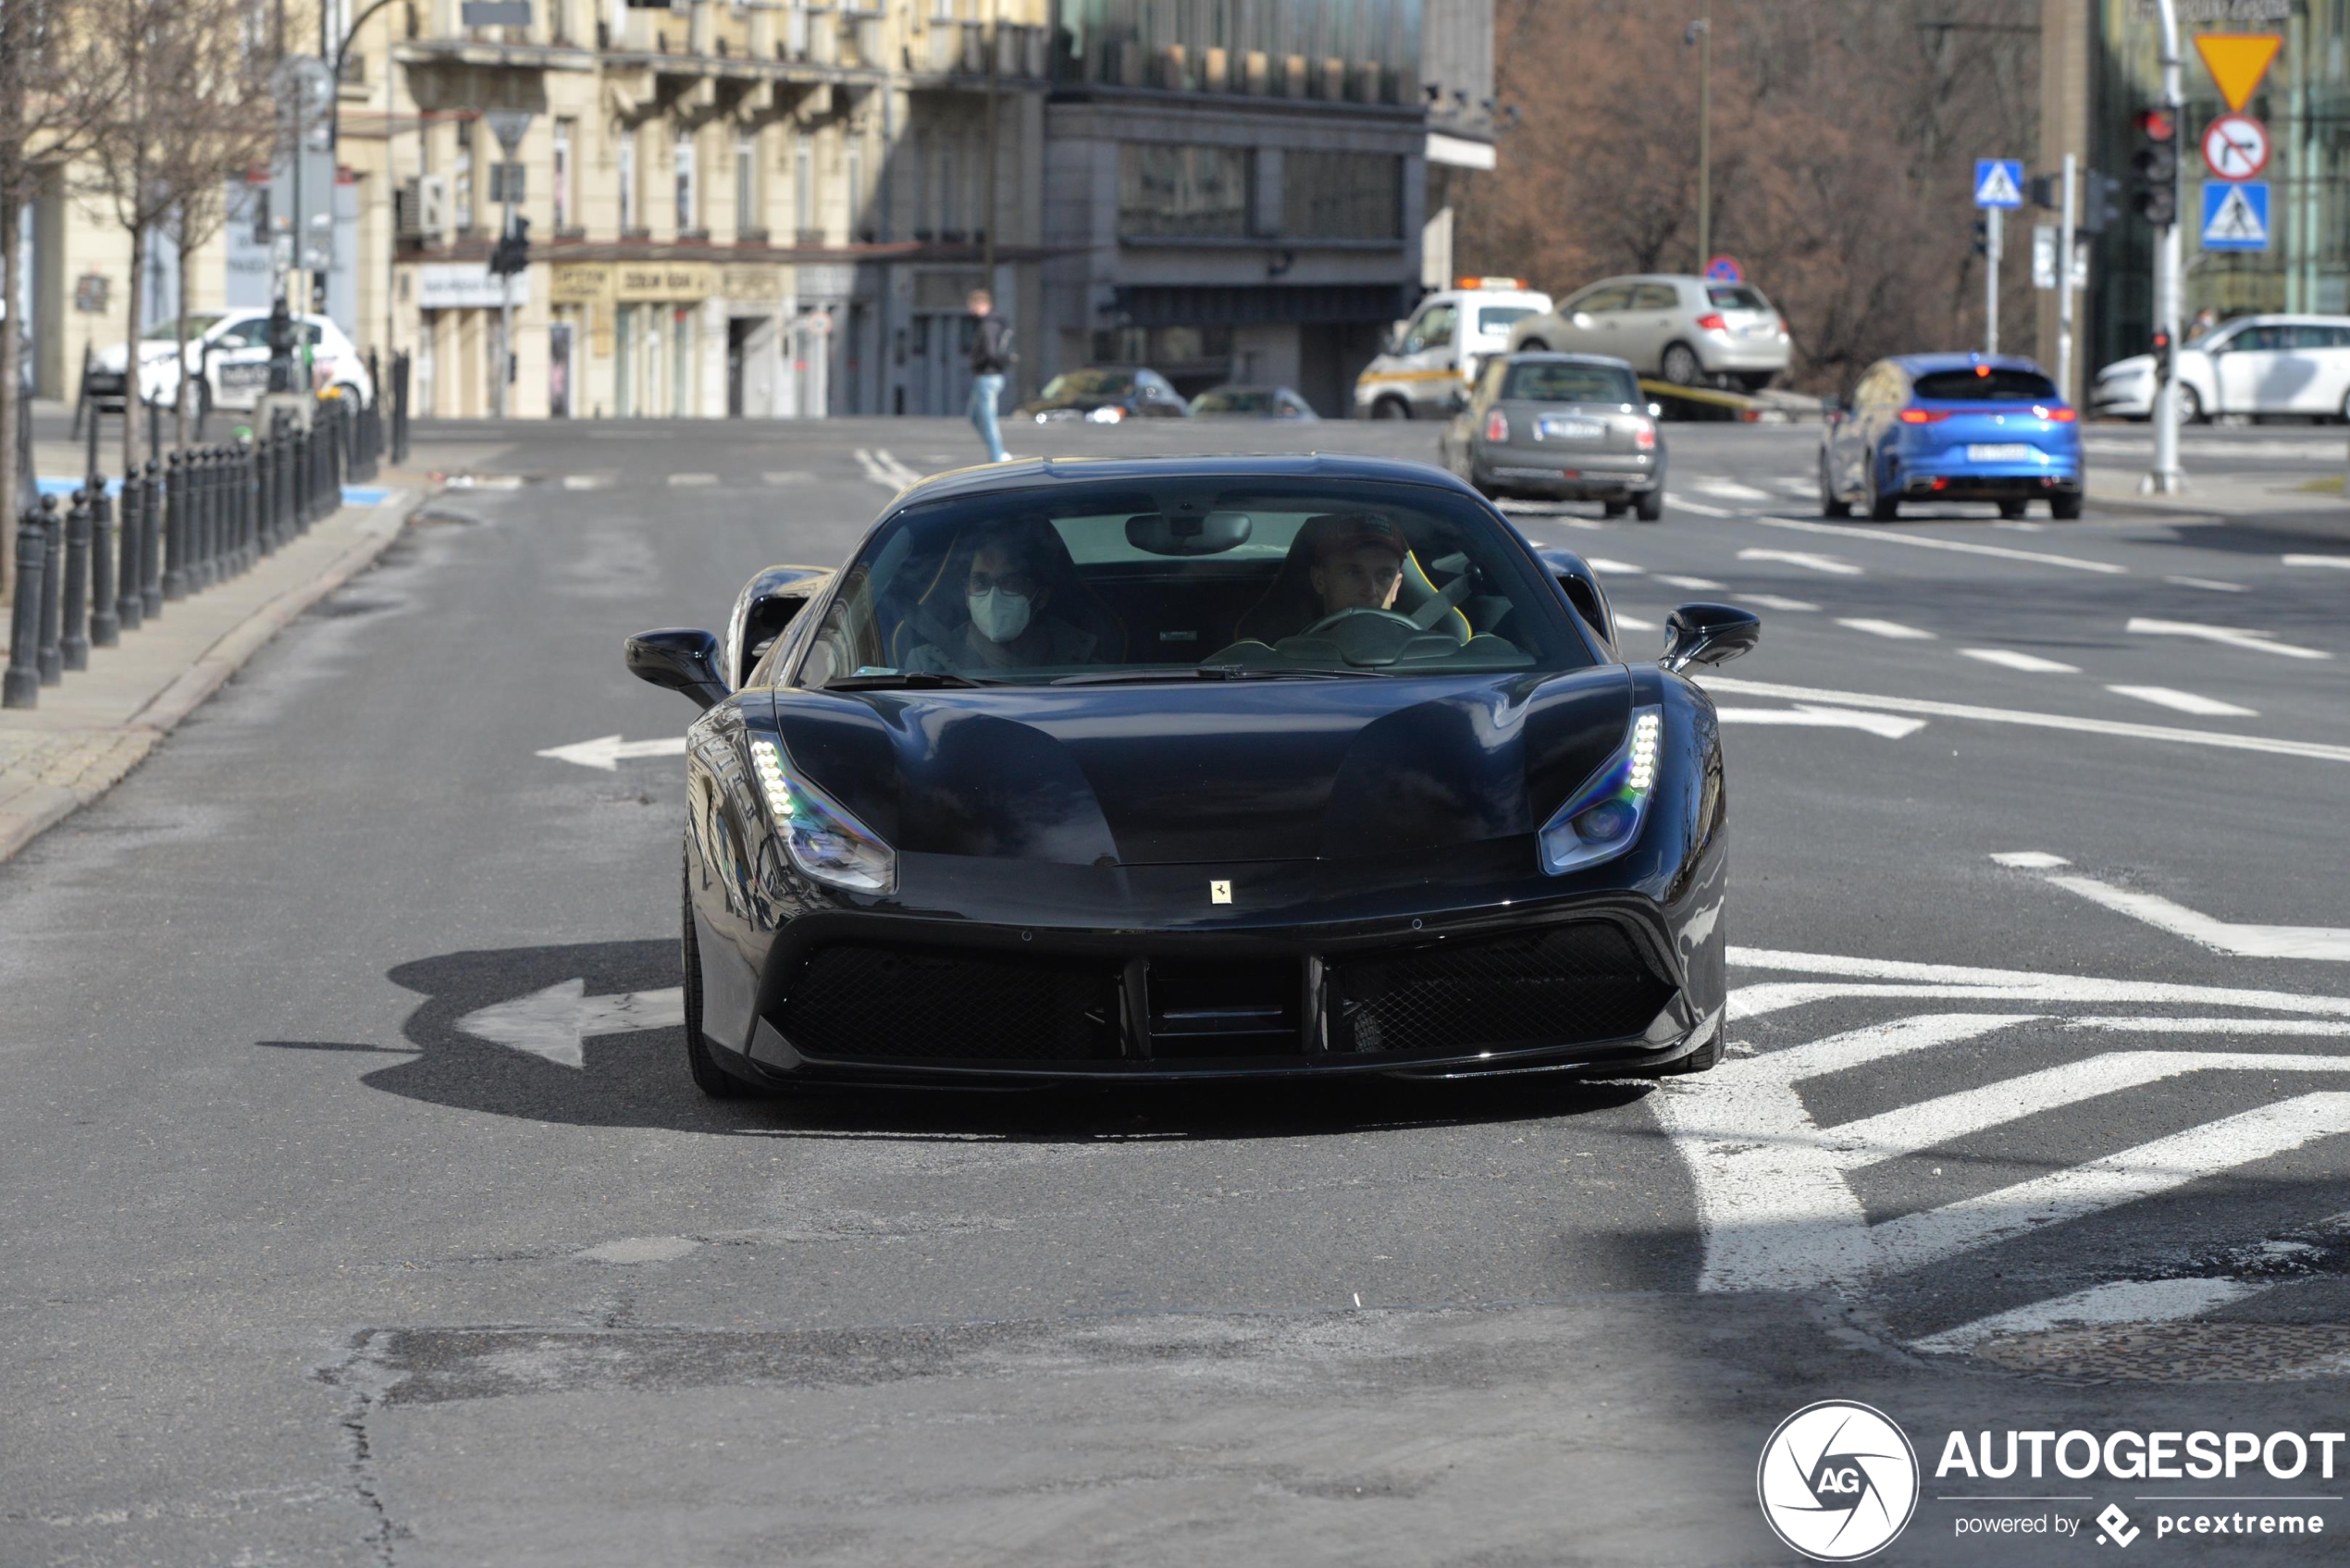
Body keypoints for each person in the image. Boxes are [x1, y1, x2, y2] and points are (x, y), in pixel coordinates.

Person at [907, 520, 1096, 672]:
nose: (993, 596)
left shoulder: (1086, 661)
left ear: (1042, 596)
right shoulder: (928, 666)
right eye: (981, 582)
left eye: (1009, 582)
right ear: (967, 595)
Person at [1305, 513, 1409, 624]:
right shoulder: (1293, 642)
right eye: (1353, 573)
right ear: (1319, 580)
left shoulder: (1418, 641)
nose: (1370, 591)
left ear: (1396, 587)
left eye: (1384, 575)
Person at [966, 290, 1012, 463]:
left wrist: (977, 362)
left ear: (979, 304)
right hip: (990, 375)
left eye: (971, 305)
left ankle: (998, 456)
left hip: (987, 376)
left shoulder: (988, 325)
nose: (970, 310)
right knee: (976, 417)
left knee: (987, 420)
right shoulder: (995, 322)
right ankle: (997, 452)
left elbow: (991, 352)